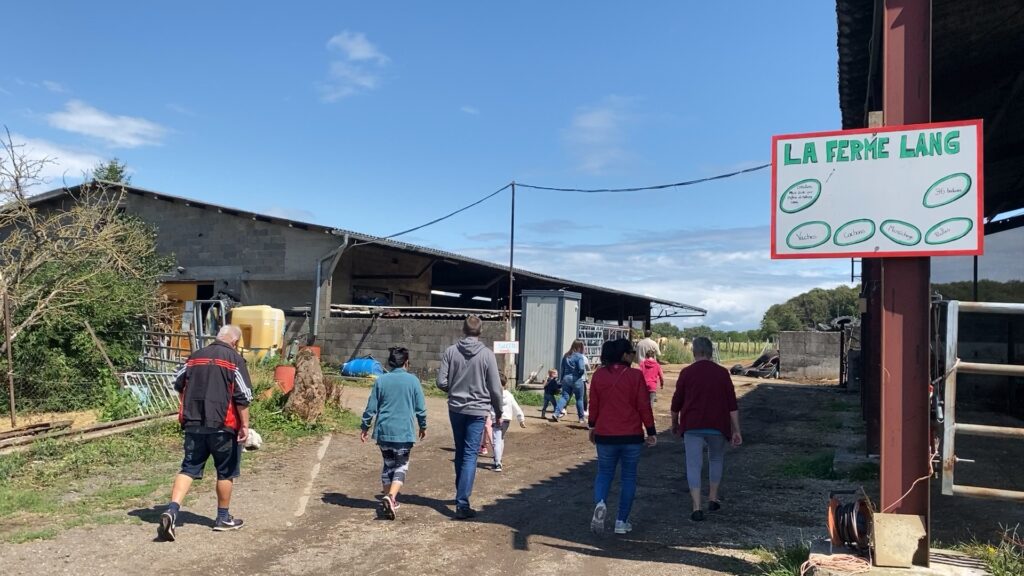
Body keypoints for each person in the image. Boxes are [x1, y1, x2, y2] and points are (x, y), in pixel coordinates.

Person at [158, 325, 253, 542]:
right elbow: (243, 396)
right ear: (235, 342)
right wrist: (244, 425)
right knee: (225, 471)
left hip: (193, 423)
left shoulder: (194, 357)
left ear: (216, 338)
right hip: (223, 425)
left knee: (189, 467)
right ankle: (223, 518)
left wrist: (188, 405)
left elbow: (178, 382)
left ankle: (172, 511)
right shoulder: (234, 360)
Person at [588, 339, 657, 535]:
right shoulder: (635, 376)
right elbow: (644, 406)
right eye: (631, 352)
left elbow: (594, 404)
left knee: (604, 473)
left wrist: (592, 426)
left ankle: (600, 503)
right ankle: (621, 521)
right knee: (628, 478)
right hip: (631, 436)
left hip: (605, 434)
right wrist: (651, 432)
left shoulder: (599, 375)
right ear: (624, 355)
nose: (634, 355)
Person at [437, 315, 503, 519]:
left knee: (460, 451)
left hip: (455, 409)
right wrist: (498, 411)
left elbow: (441, 381)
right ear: (480, 331)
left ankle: (460, 495)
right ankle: (462, 503)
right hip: (477, 410)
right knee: (470, 455)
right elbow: (495, 388)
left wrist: (454, 389)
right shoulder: (487, 355)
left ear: (463, 330)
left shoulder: (450, 352)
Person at [670, 336, 742, 522]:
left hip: (692, 425)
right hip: (717, 424)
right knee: (716, 458)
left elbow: (677, 401)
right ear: (710, 352)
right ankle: (712, 497)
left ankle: (696, 507)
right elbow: (731, 404)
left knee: (693, 464)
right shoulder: (722, 373)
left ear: (694, 351)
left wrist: (675, 422)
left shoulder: (687, 372)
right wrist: (736, 430)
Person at [360, 346, 427, 520]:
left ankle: (390, 500)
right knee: (401, 465)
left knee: (388, 464)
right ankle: (390, 497)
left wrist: (365, 427)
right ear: (406, 362)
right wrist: (423, 426)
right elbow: (420, 409)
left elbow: (371, 408)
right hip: (403, 432)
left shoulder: (381, 381)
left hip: (383, 431)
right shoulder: (413, 381)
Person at [492, 373, 526, 472]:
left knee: (496, 441)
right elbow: (516, 407)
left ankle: (497, 463)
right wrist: (521, 419)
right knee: (501, 438)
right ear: (505, 383)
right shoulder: (509, 395)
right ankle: (499, 459)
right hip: (506, 420)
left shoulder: (493, 394)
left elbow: (488, 406)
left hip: (496, 419)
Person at [551, 340, 589, 424]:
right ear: (579, 347)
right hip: (576, 379)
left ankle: (556, 413)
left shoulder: (566, 355)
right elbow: (582, 369)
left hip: (566, 379)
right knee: (579, 398)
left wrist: (561, 380)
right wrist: (580, 375)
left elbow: (562, 369)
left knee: (564, 397)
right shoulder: (579, 356)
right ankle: (581, 418)